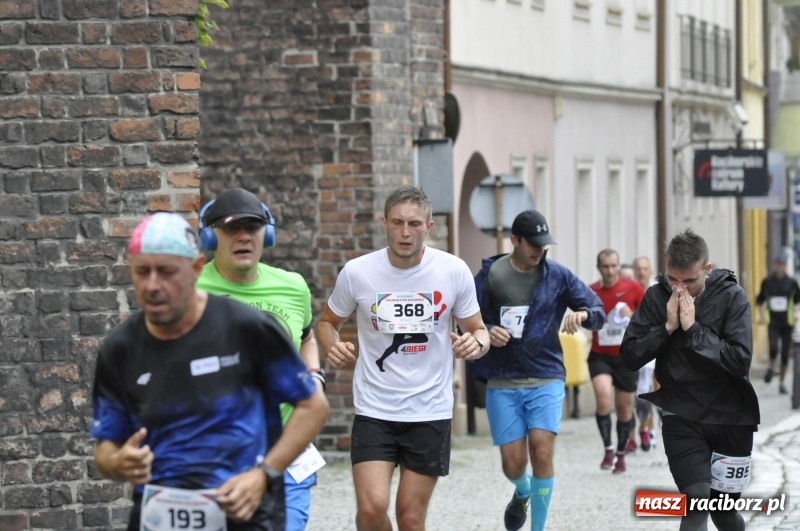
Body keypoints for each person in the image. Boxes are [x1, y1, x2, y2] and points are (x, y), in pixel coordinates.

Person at [90, 212, 329, 531]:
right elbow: (105, 447)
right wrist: (118, 463)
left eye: (166, 272)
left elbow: (314, 406)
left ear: (196, 269)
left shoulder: (247, 327)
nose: (153, 285)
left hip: (245, 513)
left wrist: (264, 474)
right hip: (159, 516)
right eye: (142, 272)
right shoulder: (120, 349)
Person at [315, 185, 490, 531]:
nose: (405, 232)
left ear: (429, 226)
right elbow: (326, 323)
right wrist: (331, 344)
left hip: (430, 410)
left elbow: (479, 330)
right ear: (384, 222)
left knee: (410, 518)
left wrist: (476, 345)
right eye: (397, 223)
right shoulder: (358, 272)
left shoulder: (453, 271)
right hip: (374, 409)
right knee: (370, 510)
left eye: (414, 224)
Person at [195, 188, 325, 531]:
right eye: (231, 229)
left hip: (287, 448)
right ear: (210, 237)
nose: (243, 237)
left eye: (251, 228)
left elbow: (307, 337)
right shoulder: (190, 289)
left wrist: (313, 373)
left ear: (265, 236)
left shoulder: (293, 286)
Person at [473, 209, 605, 531]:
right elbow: (468, 317)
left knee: (542, 451)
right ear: (514, 241)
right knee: (513, 464)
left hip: (546, 375)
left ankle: (538, 528)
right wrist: (487, 329)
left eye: (544, 245)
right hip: (503, 378)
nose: (539, 251)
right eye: (532, 244)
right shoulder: (490, 275)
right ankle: (522, 491)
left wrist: (584, 315)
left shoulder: (557, 275)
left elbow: (597, 308)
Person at [621, 228, 760, 531]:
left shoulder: (732, 297)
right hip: (680, 412)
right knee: (696, 499)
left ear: (706, 270)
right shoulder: (658, 296)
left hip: (731, 416)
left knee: (723, 511)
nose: (680, 288)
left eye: (689, 280)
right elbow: (630, 356)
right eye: (674, 279)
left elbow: (739, 361)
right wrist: (668, 327)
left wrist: (694, 330)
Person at [588, 249, 645, 474]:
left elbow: (649, 316)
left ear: (618, 267)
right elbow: (585, 316)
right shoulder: (591, 291)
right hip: (600, 355)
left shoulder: (632, 288)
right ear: (599, 268)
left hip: (625, 358)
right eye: (605, 266)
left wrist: (633, 316)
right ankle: (608, 448)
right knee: (603, 398)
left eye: (614, 266)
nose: (610, 271)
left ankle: (621, 454)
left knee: (624, 409)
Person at [755, 252, 800, 395]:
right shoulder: (767, 282)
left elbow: (798, 301)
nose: (780, 267)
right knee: (774, 348)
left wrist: (796, 313)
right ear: (775, 265)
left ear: (786, 266)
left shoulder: (792, 283)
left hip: (787, 322)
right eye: (778, 264)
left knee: (785, 354)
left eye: (782, 265)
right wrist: (761, 316)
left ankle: (781, 382)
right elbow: (759, 301)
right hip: (772, 321)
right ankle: (771, 367)